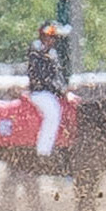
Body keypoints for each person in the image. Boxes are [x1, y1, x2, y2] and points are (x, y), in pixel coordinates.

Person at [27, 22, 68, 158]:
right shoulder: (36, 51)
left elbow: (57, 76)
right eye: (48, 37)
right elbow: (44, 77)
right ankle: (43, 152)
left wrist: (64, 89)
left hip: (48, 92)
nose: (51, 40)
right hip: (40, 93)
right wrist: (60, 90)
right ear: (42, 37)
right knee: (52, 113)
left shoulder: (51, 53)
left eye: (53, 37)